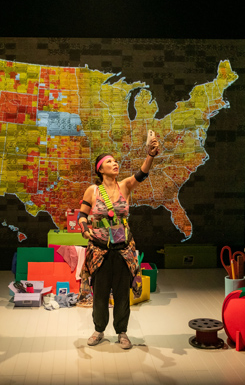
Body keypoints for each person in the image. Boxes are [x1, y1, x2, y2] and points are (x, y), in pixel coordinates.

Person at [77, 135, 160, 349]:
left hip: (123, 250)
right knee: (101, 294)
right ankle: (99, 330)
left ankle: (122, 332)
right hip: (100, 250)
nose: (115, 164)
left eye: (115, 161)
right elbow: (82, 215)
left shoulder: (125, 186)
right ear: (100, 169)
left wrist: (150, 155)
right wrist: (85, 230)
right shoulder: (93, 191)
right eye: (109, 162)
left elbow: (142, 173)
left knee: (123, 293)